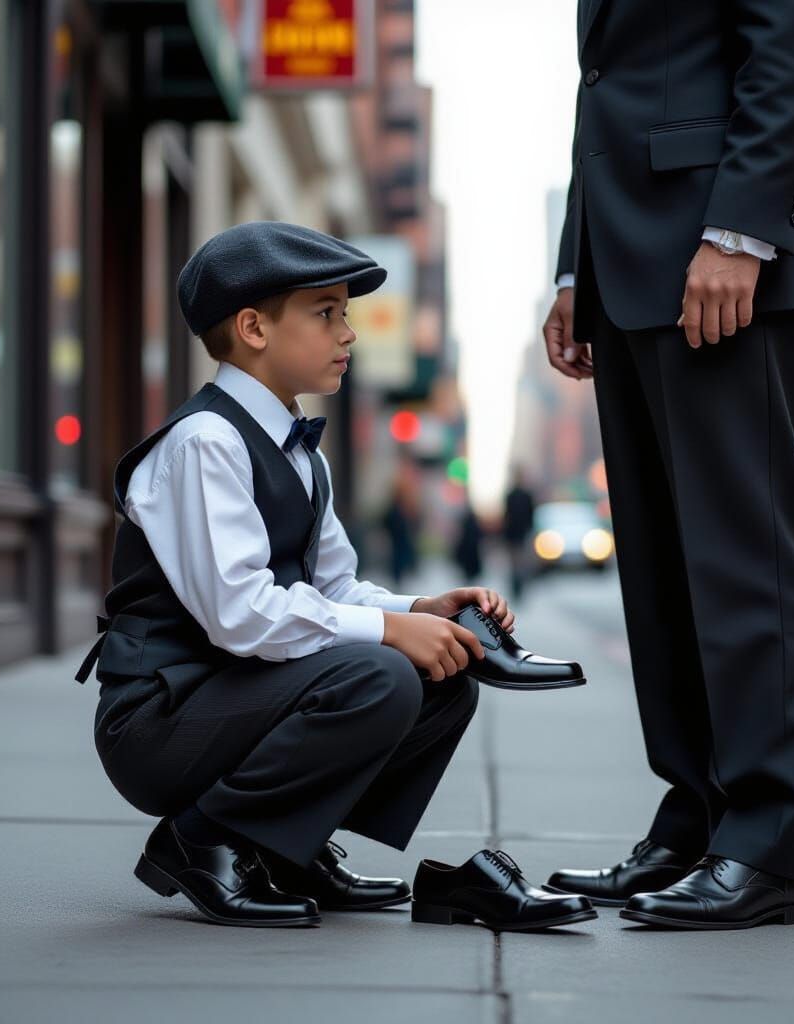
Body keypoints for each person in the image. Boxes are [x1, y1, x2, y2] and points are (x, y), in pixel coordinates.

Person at [74, 222, 526, 929]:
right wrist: (389, 632)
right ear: (253, 328)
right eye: (326, 313)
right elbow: (242, 614)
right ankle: (202, 841)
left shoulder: (301, 453)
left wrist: (420, 610)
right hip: (160, 719)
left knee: (442, 678)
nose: (349, 333)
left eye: (345, 313)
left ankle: (285, 848)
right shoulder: (206, 441)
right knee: (379, 674)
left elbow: (335, 587)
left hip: (233, 694)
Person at [540, 0, 794, 930]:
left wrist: (739, 233)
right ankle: (697, 820)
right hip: (626, 256)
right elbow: (603, 88)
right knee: (664, 569)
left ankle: (767, 848)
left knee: (744, 560)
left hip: (718, 251)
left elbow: (792, 44)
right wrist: (574, 269)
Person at [502, 466, 536, 600]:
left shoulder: (525, 495)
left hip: (521, 534)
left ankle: (519, 587)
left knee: (520, 564)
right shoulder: (511, 495)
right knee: (515, 564)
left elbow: (530, 515)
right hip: (514, 534)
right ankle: (516, 587)